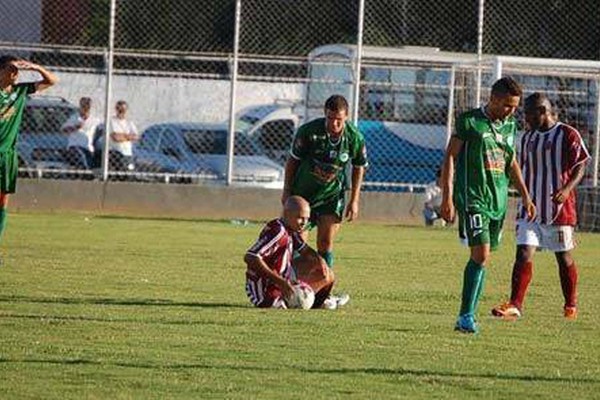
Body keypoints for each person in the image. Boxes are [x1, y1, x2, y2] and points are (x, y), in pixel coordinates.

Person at [440, 76, 536, 334]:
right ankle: (465, 316)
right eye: (507, 105)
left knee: (484, 259)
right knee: (480, 254)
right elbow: (450, 156)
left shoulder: (509, 127)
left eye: (515, 107)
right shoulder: (470, 121)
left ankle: (468, 315)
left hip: (498, 201)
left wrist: (525, 195)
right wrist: (446, 196)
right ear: (493, 99)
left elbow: (511, 161)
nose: (512, 111)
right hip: (474, 199)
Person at [491, 93, 590, 321]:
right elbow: (521, 168)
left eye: (528, 113)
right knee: (524, 252)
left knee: (563, 256)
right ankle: (515, 305)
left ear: (542, 111)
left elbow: (581, 165)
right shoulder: (527, 138)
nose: (525, 118)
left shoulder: (567, 134)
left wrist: (566, 190)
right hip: (531, 207)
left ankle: (570, 304)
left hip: (559, 210)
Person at [281, 94, 368, 276]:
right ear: (324, 114)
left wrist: (354, 200)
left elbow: (359, 167)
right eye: (330, 118)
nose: (334, 124)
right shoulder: (309, 132)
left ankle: (323, 288)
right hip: (303, 195)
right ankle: (294, 285)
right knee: (298, 243)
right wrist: (287, 191)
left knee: (325, 243)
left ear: (346, 117)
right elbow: (292, 161)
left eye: (339, 120)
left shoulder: (355, 138)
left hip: (331, 196)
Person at [0, 55, 57, 258]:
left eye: (18, 70)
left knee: (3, 201)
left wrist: (35, 67)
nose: (15, 73)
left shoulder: (20, 91)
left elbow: (51, 81)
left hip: (7, 156)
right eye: (11, 69)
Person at [244, 196, 336, 309]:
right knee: (280, 306)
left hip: (282, 281)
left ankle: (313, 301)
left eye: (307, 218)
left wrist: (320, 261)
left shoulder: (291, 230)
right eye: (300, 218)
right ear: (286, 214)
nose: (304, 223)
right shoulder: (278, 232)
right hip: (264, 289)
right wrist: (281, 282)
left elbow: (305, 251)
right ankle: (297, 299)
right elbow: (251, 257)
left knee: (328, 275)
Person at [61, 96, 101, 170]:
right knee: (81, 157)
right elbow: (63, 130)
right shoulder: (74, 118)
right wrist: (75, 128)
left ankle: (88, 173)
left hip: (87, 147)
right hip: (75, 146)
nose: (85, 108)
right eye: (83, 106)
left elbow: (101, 129)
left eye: (87, 106)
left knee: (90, 161)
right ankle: (88, 174)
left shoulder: (94, 120)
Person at [108, 100, 138, 172]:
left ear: (126, 110)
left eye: (123, 109)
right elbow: (115, 138)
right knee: (119, 173)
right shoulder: (112, 121)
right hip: (116, 152)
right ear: (116, 109)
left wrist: (122, 135)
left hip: (127, 153)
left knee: (129, 172)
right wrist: (128, 136)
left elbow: (136, 137)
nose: (121, 111)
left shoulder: (129, 122)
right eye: (119, 109)